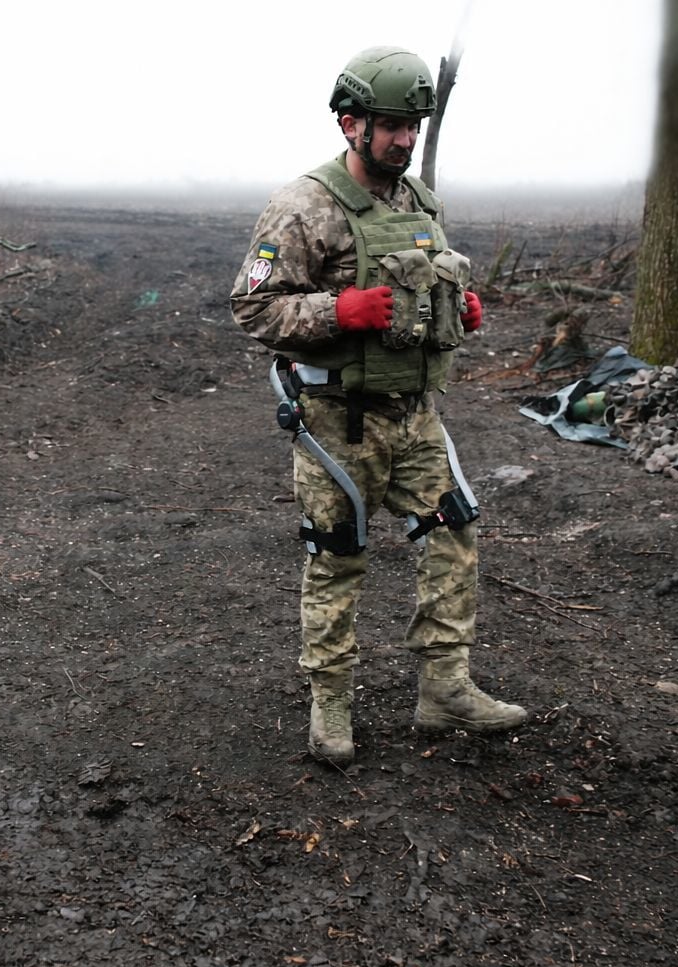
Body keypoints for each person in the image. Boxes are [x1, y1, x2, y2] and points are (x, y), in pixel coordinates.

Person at [230, 47, 528, 767]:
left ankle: (444, 688)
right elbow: (252, 307)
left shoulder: (419, 203)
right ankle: (331, 706)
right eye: (392, 125)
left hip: (416, 414)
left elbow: (425, 289)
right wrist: (342, 310)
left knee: (453, 533)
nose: (404, 139)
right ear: (349, 123)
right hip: (339, 420)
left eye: (413, 126)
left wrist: (459, 308)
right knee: (337, 557)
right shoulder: (303, 205)